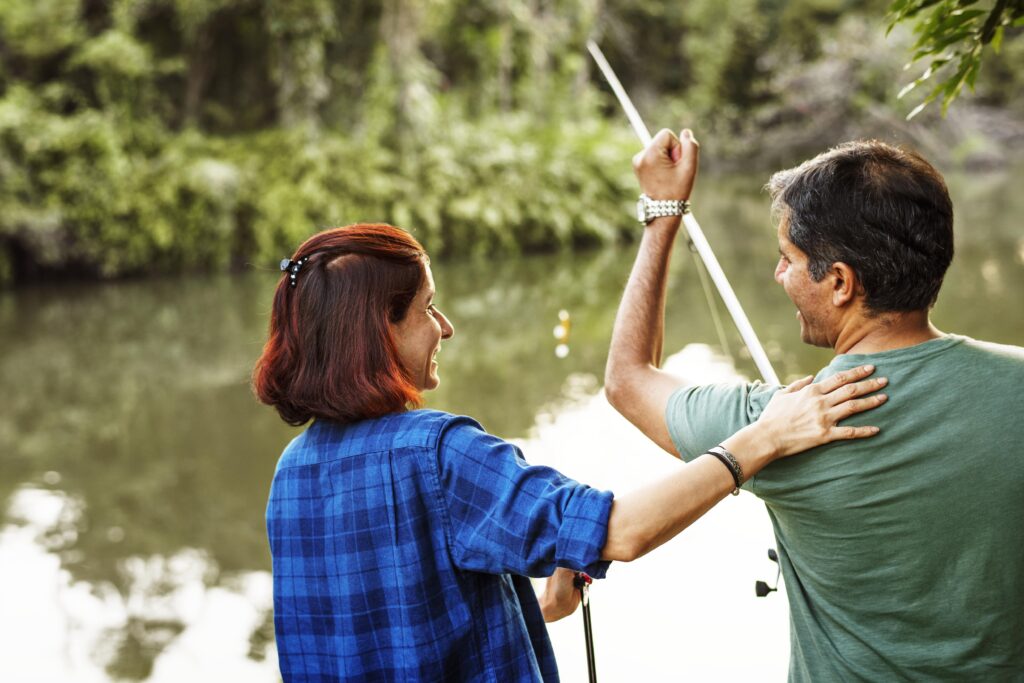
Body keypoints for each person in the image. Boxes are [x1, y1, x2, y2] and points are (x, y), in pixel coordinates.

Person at [253, 223, 886, 681]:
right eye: (425, 309)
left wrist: (546, 603)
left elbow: (397, 633)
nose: (445, 326)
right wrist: (765, 436)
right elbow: (622, 531)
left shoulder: (292, 473)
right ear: (376, 331)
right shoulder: (438, 452)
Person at [605, 129, 1024, 681]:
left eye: (788, 258)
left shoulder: (779, 424)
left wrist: (664, 212)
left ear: (841, 283)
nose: (779, 274)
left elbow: (628, 379)